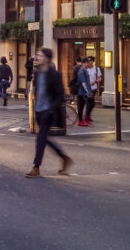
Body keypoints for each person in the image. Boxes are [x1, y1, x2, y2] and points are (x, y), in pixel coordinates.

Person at [26, 48, 72, 178]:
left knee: (40, 139)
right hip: (39, 111)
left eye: (40, 55)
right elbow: (36, 91)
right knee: (44, 138)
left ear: (47, 59)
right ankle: (63, 157)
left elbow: (60, 95)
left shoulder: (55, 75)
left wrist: (51, 109)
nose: (37, 57)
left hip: (48, 112)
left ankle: (36, 167)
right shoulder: (38, 72)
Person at [75, 57, 95, 127]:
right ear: (83, 63)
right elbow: (83, 83)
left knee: (91, 104)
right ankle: (80, 121)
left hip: (86, 92)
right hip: (82, 93)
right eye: (87, 63)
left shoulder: (85, 71)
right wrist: (88, 92)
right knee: (81, 107)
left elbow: (87, 82)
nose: (88, 65)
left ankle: (85, 118)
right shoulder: (81, 72)